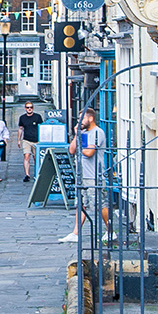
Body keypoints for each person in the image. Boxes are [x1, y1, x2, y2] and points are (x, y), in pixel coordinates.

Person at [64, 106, 109, 247]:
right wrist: (77, 135)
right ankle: (76, 233)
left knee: (99, 204)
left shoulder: (98, 133)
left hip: (94, 175)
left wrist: (80, 145)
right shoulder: (82, 133)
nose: (79, 122)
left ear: (90, 118)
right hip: (82, 175)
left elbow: (89, 152)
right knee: (81, 204)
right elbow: (71, 150)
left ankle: (110, 230)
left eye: (82, 118)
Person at [17, 103, 42, 182]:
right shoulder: (22, 118)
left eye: (31, 107)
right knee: (26, 156)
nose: (29, 109)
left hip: (36, 140)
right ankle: (27, 174)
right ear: (25, 108)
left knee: (36, 157)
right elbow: (20, 128)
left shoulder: (37, 117)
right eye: (27, 107)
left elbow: (41, 127)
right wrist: (18, 139)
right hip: (26, 140)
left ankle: (37, 173)